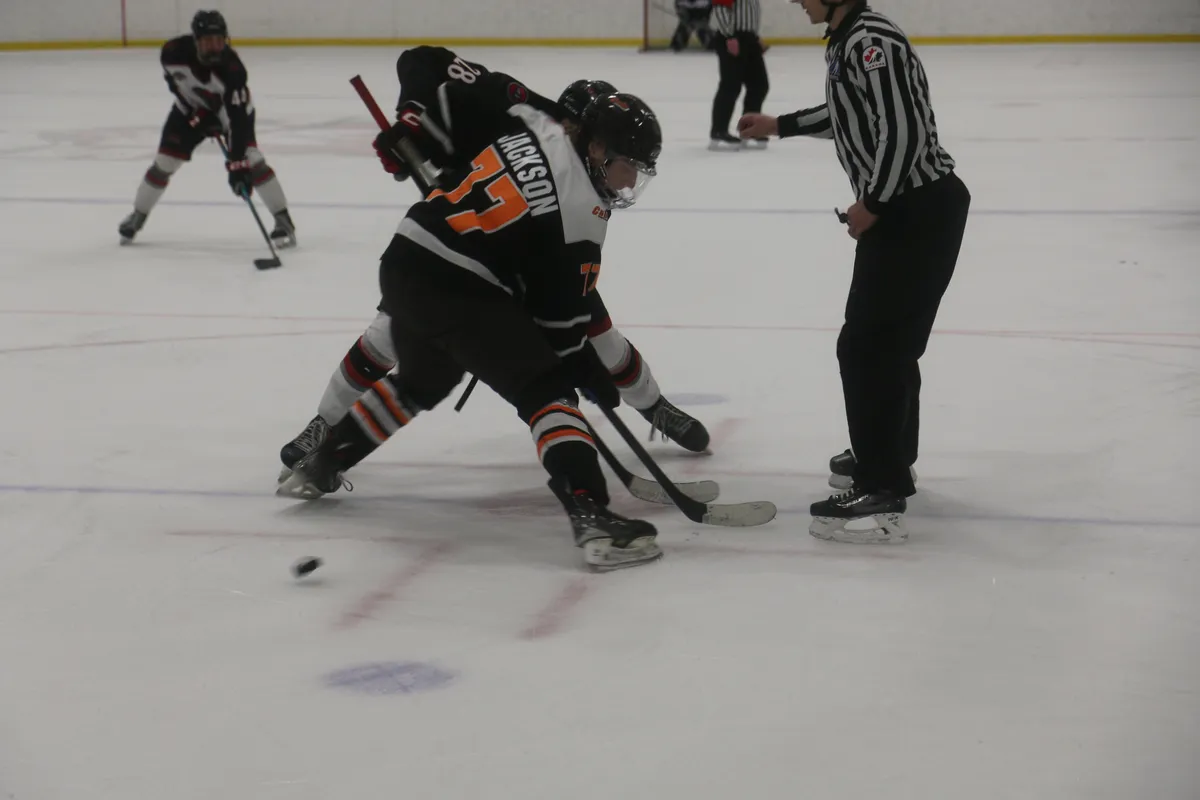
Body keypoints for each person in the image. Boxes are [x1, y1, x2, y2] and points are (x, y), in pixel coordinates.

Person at [278, 84, 667, 573]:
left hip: (403, 262)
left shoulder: (535, 124)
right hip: (457, 285)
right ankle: (593, 516)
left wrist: (415, 125)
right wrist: (587, 370)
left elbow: (473, 90)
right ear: (595, 148)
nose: (630, 179)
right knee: (548, 390)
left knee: (423, 379)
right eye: (626, 164)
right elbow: (560, 330)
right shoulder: (583, 214)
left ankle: (324, 462)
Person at [278, 49, 709, 482]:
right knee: (388, 341)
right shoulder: (530, 119)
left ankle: (653, 406)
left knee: (597, 341)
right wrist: (414, 122)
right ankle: (326, 425)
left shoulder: (574, 173)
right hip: (473, 254)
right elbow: (424, 62)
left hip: (522, 262)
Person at [738, 0, 970, 544]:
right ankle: (888, 457)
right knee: (887, 344)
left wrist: (875, 204)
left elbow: (903, 133)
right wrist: (781, 125)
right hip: (912, 209)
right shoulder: (851, 41)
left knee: (868, 346)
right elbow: (850, 115)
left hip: (914, 211)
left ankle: (880, 483)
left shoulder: (871, 44)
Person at [118, 10, 295, 247]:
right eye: (208, 41)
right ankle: (137, 216)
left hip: (230, 115)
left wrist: (237, 165)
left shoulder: (233, 71)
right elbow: (176, 85)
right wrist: (196, 115)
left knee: (252, 160)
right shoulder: (172, 53)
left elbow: (238, 120)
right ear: (196, 40)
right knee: (164, 163)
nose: (215, 47)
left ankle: (283, 222)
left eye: (219, 40)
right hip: (188, 109)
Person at [709, 0, 768, 150]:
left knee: (759, 84)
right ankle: (718, 131)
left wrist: (754, 36)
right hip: (733, 37)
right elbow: (720, 8)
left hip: (748, 39)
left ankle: (749, 128)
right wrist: (730, 36)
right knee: (730, 85)